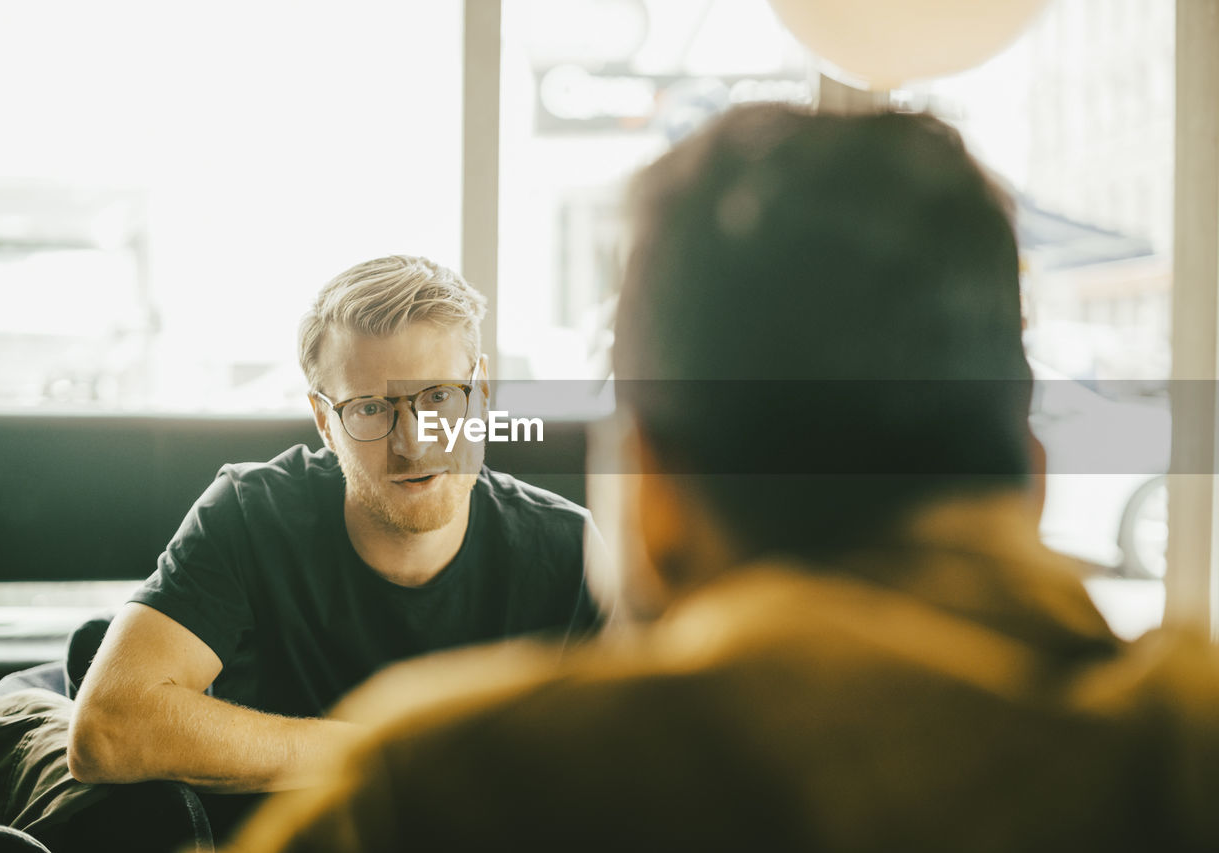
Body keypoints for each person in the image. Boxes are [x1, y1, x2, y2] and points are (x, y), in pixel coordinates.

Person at [223, 107, 1219, 852]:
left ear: (651, 494)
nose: (410, 438)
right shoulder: (1178, 759)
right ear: (1030, 484)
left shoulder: (431, 794)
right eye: (372, 411)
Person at [66, 255, 600, 834]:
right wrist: (386, 753)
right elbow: (108, 729)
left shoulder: (569, 550)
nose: (413, 442)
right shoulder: (250, 515)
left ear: (483, 393)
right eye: (371, 408)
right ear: (324, 420)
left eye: (440, 396)